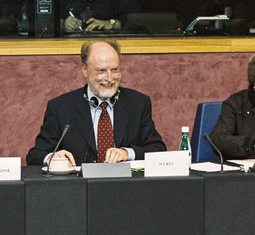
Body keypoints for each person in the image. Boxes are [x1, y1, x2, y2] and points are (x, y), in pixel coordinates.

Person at [26, 39, 166, 166]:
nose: (110, 78)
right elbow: (34, 156)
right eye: (101, 71)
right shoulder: (61, 107)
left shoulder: (138, 104)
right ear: (84, 70)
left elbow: (158, 150)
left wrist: (127, 153)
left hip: (126, 187)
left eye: (115, 70)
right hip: (78, 189)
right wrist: (53, 157)